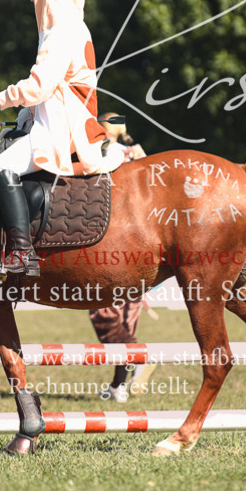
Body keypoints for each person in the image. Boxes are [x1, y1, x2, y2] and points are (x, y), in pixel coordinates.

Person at [0, 0, 105, 278]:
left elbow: (40, 86)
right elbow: (54, 90)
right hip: (57, 123)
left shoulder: (61, 32)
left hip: (62, 133)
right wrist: (25, 118)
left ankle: (22, 253)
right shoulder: (75, 27)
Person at [89, 115, 157, 402]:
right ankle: (119, 386)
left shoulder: (102, 151)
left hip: (112, 243)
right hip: (142, 246)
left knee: (103, 314)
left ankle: (140, 358)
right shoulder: (138, 153)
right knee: (127, 323)